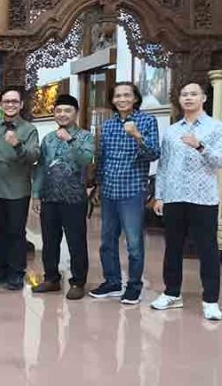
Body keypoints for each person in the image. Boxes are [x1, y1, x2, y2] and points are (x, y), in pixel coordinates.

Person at [151, 83, 222, 321]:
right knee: (173, 247)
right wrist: (160, 195)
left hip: (203, 198)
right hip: (174, 196)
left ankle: (210, 300)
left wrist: (200, 146)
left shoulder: (216, 127)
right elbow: (163, 165)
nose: (188, 98)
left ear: (204, 98)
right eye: (184, 94)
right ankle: (172, 293)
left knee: (207, 249)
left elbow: (220, 161)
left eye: (193, 94)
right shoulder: (172, 131)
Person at [90, 82, 159, 305]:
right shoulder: (108, 125)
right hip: (109, 190)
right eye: (117, 96)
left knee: (134, 243)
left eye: (126, 95)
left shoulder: (147, 121)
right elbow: (102, 157)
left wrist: (137, 135)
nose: (122, 99)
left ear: (135, 98)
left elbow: (154, 153)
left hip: (132, 190)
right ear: (112, 100)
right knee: (107, 240)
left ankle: (134, 286)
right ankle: (112, 282)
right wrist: (98, 184)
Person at [31, 94, 94, 300]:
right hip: (49, 197)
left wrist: (70, 140)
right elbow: (41, 168)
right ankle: (51, 278)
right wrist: (36, 194)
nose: (62, 114)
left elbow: (86, 160)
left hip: (74, 198)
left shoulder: (85, 137)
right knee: (49, 241)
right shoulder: (48, 139)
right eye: (58, 111)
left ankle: (78, 282)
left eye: (67, 110)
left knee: (76, 242)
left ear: (76, 113)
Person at [0, 88, 40, 290]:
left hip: (17, 190)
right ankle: (1, 269)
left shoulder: (29, 130)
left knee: (16, 233)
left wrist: (17, 144)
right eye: (7, 101)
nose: (10, 105)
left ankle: (17, 272)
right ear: (0, 105)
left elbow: (34, 156)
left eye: (14, 101)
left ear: (21, 105)